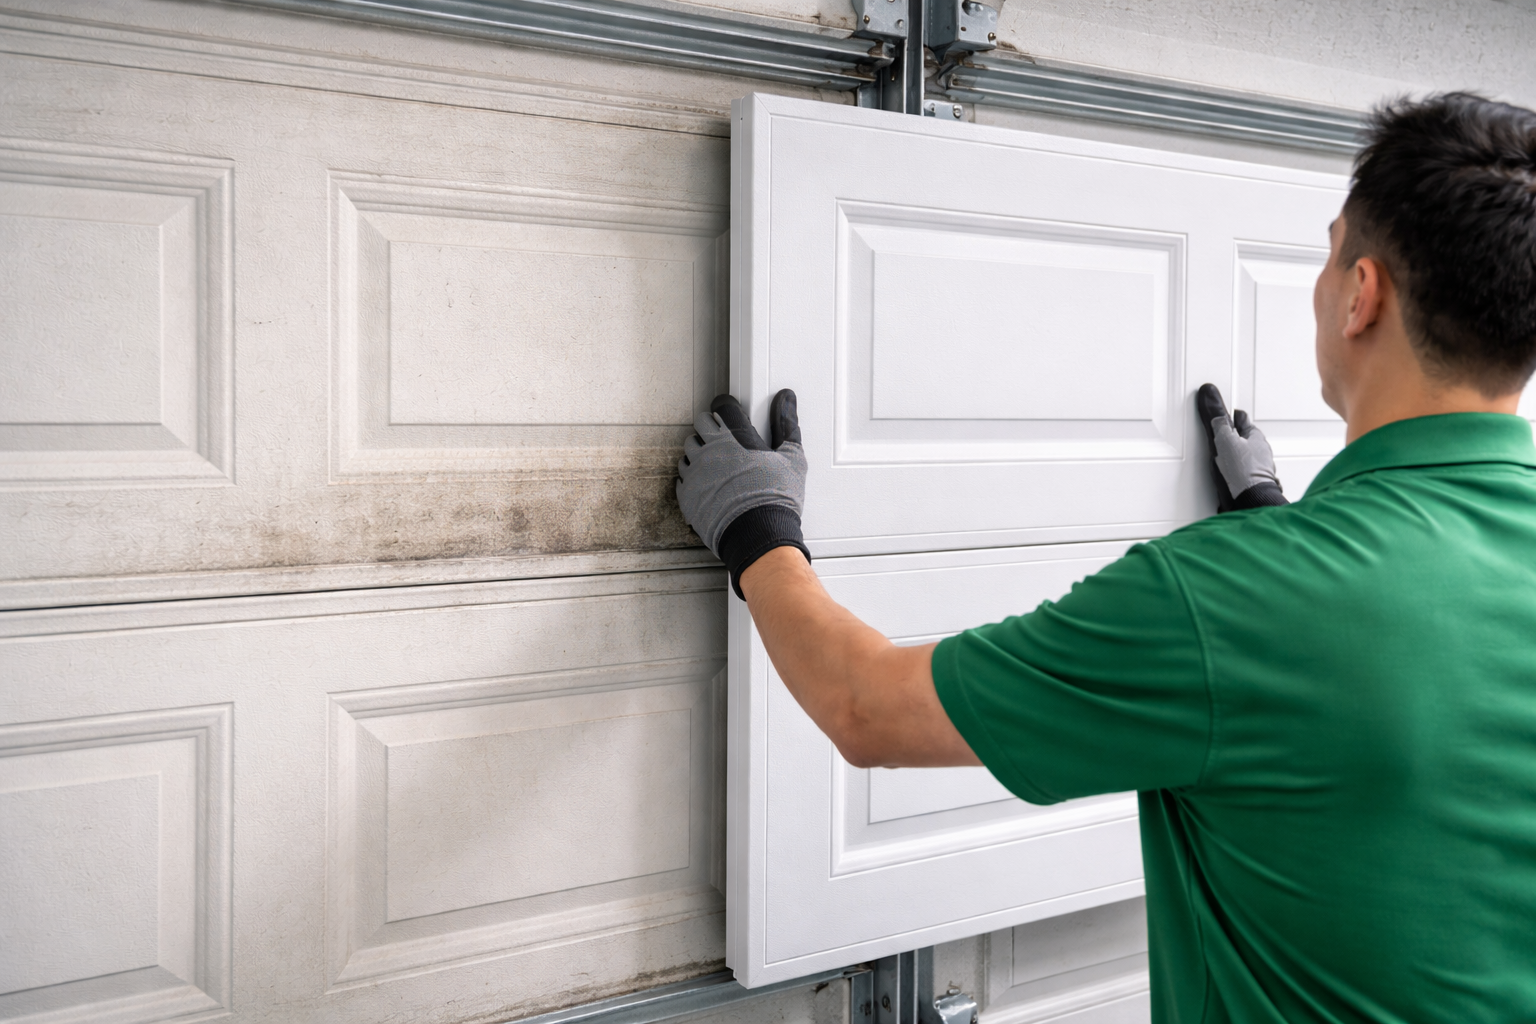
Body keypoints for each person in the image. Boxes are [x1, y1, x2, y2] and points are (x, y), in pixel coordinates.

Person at [675, 93, 1536, 1022]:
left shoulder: (1229, 602)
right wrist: (1271, 520)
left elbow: (867, 706)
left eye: (1329, 253)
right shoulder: (1281, 588)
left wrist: (759, 531)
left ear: (1362, 292)